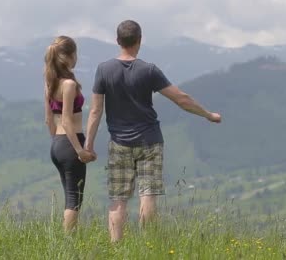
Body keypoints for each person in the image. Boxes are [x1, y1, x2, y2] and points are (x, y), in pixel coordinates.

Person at [84, 20, 222, 242]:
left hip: (119, 143)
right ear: (139, 40)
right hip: (150, 142)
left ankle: (116, 250)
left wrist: (88, 145)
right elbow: (181, 99)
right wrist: (208, 114)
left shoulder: (104, 70)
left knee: (118, 199)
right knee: (148, 195)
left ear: (118, 41)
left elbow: (95, 111)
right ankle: (147, 247)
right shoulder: (149, 70)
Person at [44, 36, 97, 232]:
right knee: (74, 198)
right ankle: (67, 243)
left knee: (69, 194)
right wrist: (79, 150)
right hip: (70, 142)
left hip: (57, 144)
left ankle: (66, 241)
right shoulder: (69, 85)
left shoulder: (50, 84)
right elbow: (67, 120)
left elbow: (49, 119)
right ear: (69, 56)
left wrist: (56, 143)